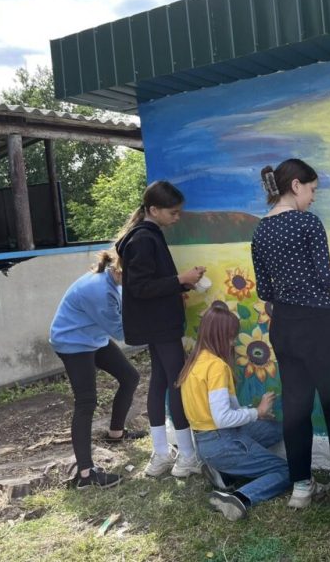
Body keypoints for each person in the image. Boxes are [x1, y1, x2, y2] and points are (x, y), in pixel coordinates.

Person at [251, 158, 330, 508]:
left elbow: (265, 290)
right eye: (312, 190)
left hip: (285, 327)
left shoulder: (260, 230)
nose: (312, 198)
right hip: (321, 325)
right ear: (296, 186)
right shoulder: (308, 223)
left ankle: (301, 487)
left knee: (296, 406)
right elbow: (323, 279)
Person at [115, 180, 206, 478]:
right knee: (177, 382)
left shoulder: (145, 235)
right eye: (174, 212)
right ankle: (188, 457)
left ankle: (161, 454)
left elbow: (148, 284)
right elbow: (139, 286)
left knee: (159, 384)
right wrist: (180, 278)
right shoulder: (144, 239)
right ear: (154, 210)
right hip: (161, 325)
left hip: (154, 322)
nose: (177, 218)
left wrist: (176, 287)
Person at [177, 300, 290, 520]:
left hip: (206, 442)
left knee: (275, 430)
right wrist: (257, 412)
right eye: (231, 337)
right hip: (223, 440)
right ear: (220, 336)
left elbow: (221, 410)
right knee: (286, 471)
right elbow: (223, 417)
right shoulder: (217, 367)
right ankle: (239, 498)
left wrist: (257, 414)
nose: (233, 342)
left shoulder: (195, 360)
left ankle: (224, 474)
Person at [50, 250, 143, 489]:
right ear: (120, 269)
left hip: (92, 337)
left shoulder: (114, 279)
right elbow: (124, 333)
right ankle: (85, 475)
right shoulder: (99, 290)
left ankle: (115, 434)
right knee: (86, 402)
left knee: (130, 377)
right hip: (72, 342)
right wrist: (159, 327)